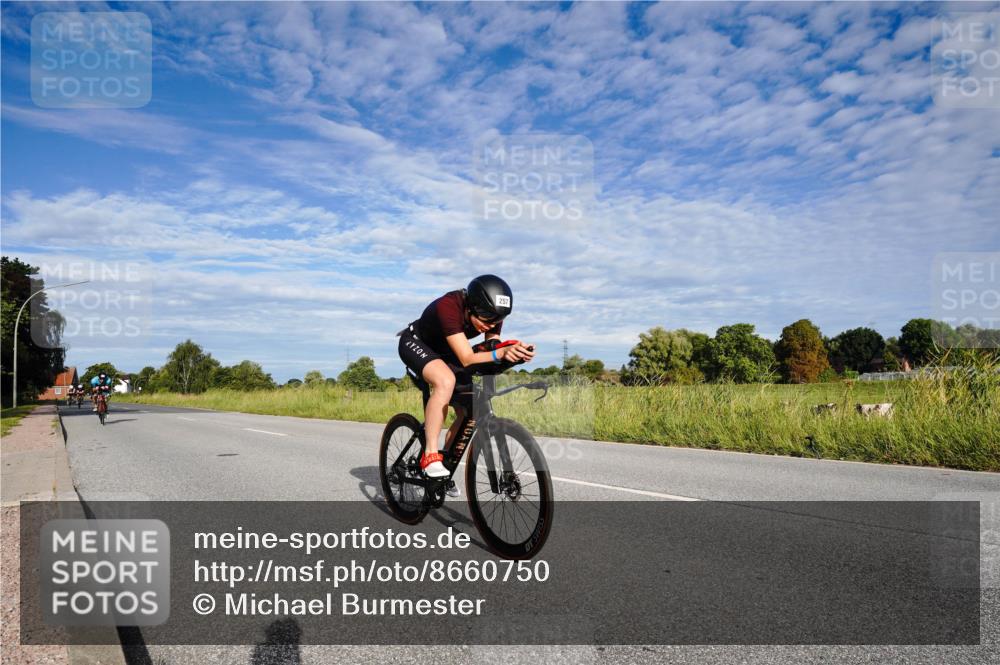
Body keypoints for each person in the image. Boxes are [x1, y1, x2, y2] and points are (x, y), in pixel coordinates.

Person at [397, 275, 535, 490]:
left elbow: (491, 346)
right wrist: (501, 353)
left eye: (497, 320)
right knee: (445, 380)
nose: (490, 325)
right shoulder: (448, 306)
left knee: (470, 410)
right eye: (486, 318)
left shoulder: (492, 315)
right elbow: (467, 358)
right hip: (416, 343)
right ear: (471, 305)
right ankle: (430, 456)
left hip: (447, 351)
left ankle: (444, 462)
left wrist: (512, 353)